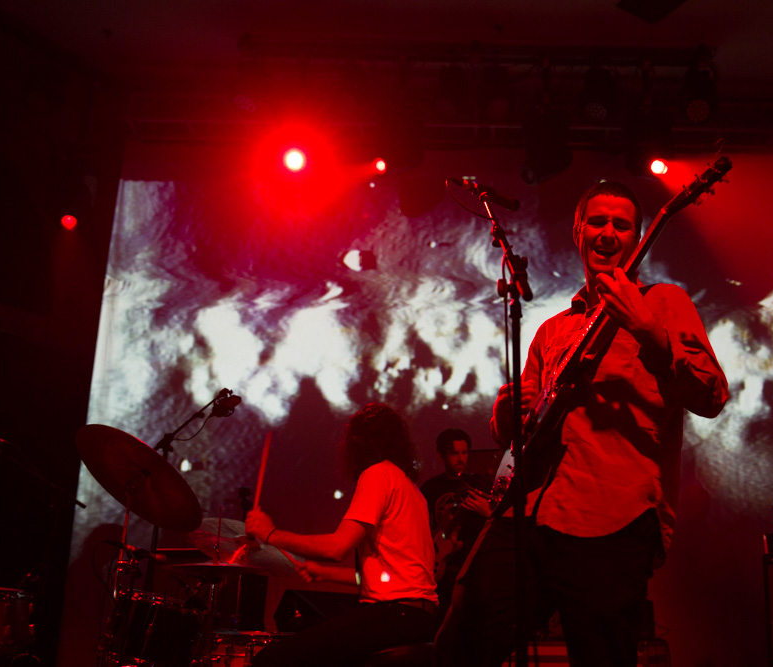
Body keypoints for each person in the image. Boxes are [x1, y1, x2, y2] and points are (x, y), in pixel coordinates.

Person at [434, 181, 729, 667]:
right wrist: (508, 415)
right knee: (462, 632)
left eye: (622, 225)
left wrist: (648, 332)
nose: (608, 233)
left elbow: (711, 394)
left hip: (613, 518)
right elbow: (516, 433)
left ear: (636, 237)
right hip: (529, 513)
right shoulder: (553, 331)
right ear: (578, 230)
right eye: (598, 221)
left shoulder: (664, 303)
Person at [245, 403, 438, 667]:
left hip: (395, 614)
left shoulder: (378, 474)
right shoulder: (412, 490)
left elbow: (337, 548)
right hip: (419, 616)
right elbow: (393, 575)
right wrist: (323, 573)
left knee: (273, 659)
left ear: (359, 442)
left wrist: (270, 533)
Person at [419, 428, 490, 614]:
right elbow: (422, 529)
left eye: (464, 452)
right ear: (441, 455)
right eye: (454, 453)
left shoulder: (479, 484)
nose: (460, 458)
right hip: (442, 570)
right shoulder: (430, 488)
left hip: (473, 566)